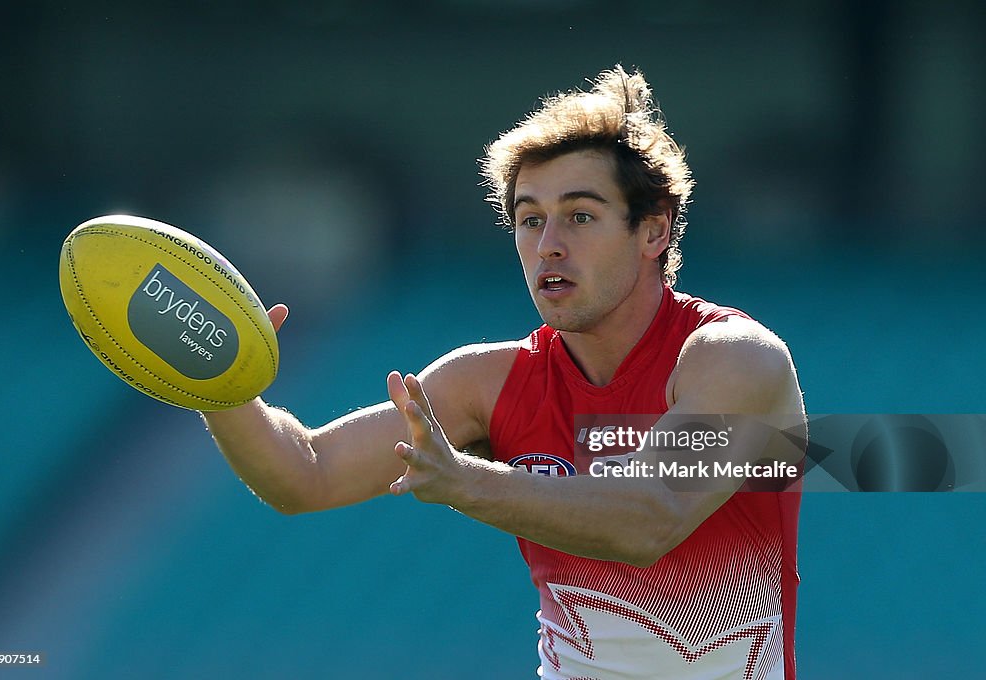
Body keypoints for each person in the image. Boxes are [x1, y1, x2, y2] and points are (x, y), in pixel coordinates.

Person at [202, 65, 806, 680]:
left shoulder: (735, 359)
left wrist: (466, 481)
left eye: (580, 216)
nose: (547, 244)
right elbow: (306, 474)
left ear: (652, 230)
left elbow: (650, 518)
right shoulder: (488, 381)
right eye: (529, 218)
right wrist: (217, 384)